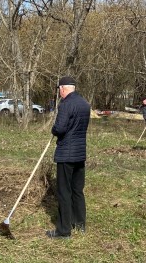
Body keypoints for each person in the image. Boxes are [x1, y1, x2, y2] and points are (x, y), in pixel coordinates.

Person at [46, 76, 91, 239]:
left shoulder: (65, 104)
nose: (59, 92)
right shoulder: (85, 104)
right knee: (77, 190)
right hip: (80, 154)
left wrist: (54, 130)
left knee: (64, 192)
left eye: (59, 89)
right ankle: (80, 224)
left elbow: (60, 128)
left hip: (66, 155)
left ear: (63, 89)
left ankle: (64, 231)